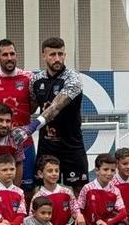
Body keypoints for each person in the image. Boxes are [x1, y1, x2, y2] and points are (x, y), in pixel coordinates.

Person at [13, 37, 87, 191]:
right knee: (42, 191)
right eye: (52, 54)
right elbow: (30, 108)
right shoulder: (36, 80)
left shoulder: (73, 79)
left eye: (61, 54)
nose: (57, 58)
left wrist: (31, 128)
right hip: (47, 146)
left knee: (80, 191)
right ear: (44, 56)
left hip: (71, 145)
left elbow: (55, 107)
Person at [0, 39, 35, 200]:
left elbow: (33, 106)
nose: (9, 58)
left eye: (12, 54)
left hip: (24, 142)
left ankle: (23, 216)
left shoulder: (28, 77)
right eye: (5, 55)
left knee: (27, 190)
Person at [31, 155, 85, 225]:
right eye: (50, 171)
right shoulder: (37, 197)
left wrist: (79, 215)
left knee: (81, 223)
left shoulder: (66, 192)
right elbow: (32, 220)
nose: (54, 174)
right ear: (40, 174)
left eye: (56, 171)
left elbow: (75, 209)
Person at [77, 154, 127, 225]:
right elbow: (80, 212)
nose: (109, 173)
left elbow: (123, 212)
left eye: (112, 170)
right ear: (97, 170)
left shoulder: (115, 190)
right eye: (105, 169)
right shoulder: (87, 188)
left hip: (105, 224)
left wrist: (108, 224)